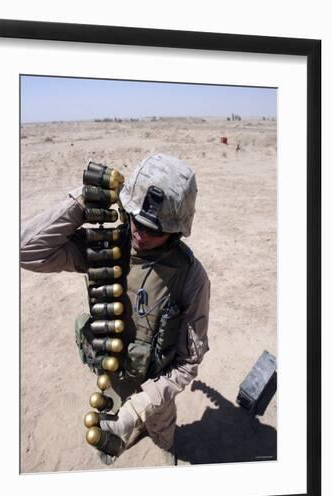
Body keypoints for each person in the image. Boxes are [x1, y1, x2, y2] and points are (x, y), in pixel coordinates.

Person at [20, 152, 210, 464]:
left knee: (164, 436)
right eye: (137, 219)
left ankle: (165, 447)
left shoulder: (191, 277)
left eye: (155, 229)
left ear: (176, 230)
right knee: (106, 433)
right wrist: (84, 201)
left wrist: (136, 410)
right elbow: (27, 250)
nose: (141, 234)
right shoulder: (107, 245)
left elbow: (188, 362)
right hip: (111, 375)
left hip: (156, 391)